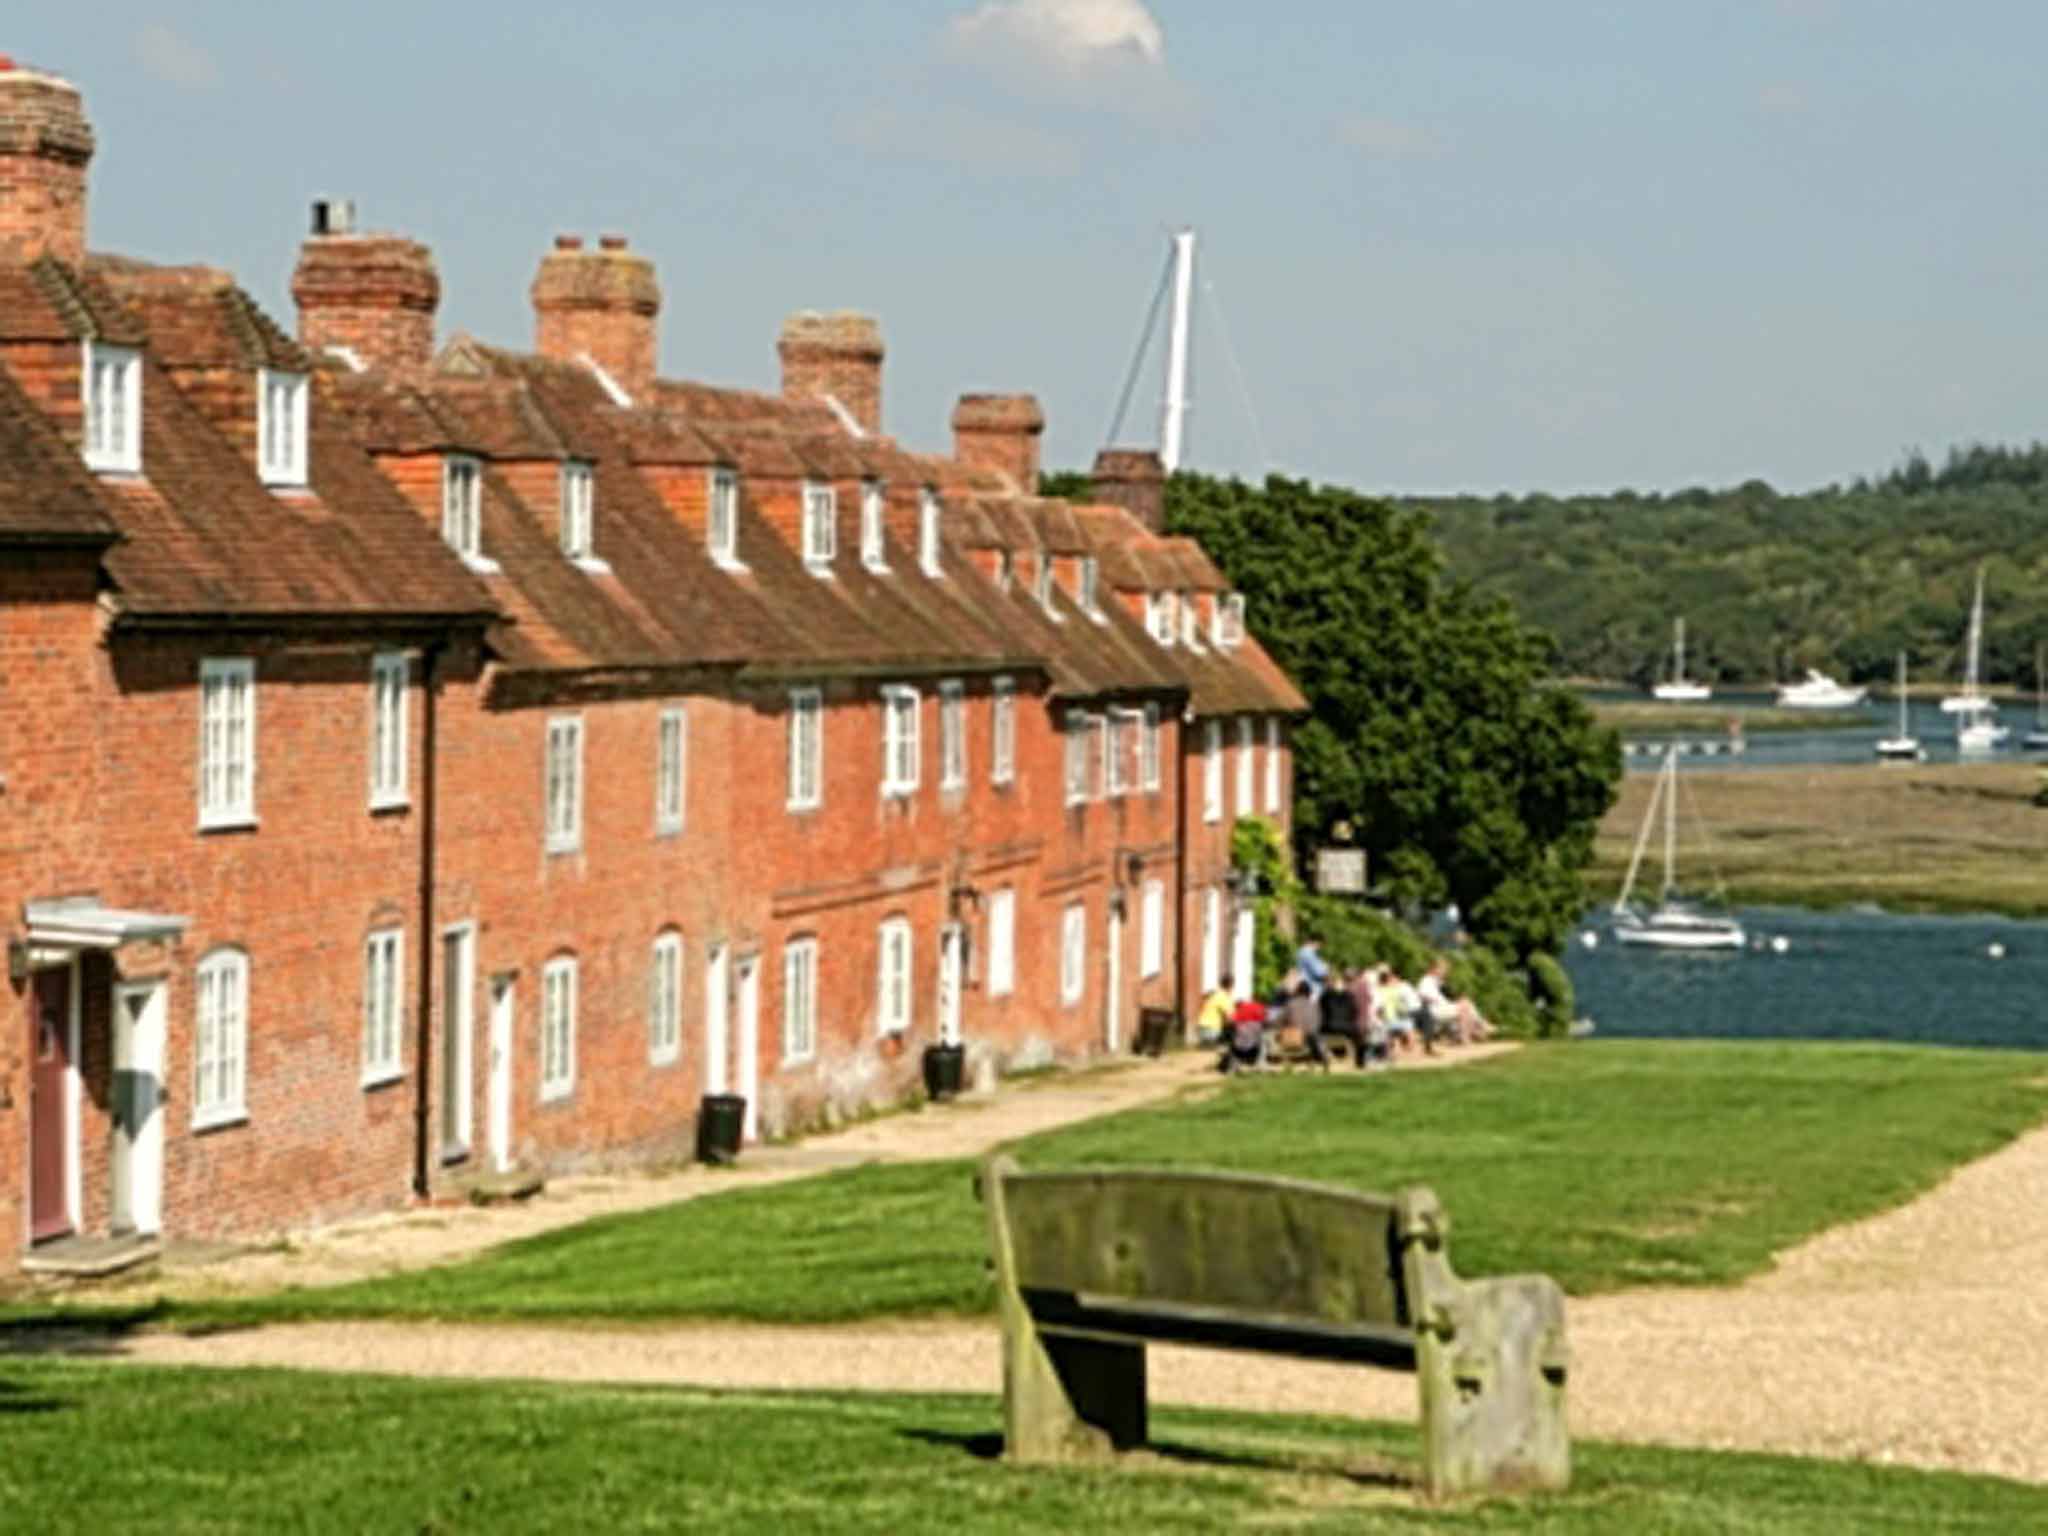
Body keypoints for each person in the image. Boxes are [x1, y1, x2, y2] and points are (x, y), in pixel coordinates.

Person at [1318, 969, 1371, 1069]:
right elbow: (1353, 1012)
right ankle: (1360, 1062)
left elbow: (1321, 1013)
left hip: (1329, 1027)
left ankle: (1325, 1060)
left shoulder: (1324, 996)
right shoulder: (1348, 995)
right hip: (1347, 1027)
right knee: (1360, 1038)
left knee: (1319, 1034)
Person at [1196, 972, 1237, 1048]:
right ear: (1231, 985)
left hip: (1201, 1031)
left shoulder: (1214, 994)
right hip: (1212, 1032)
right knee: (1235, 1029)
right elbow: (1230, 1018)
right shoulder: (1224, 997)